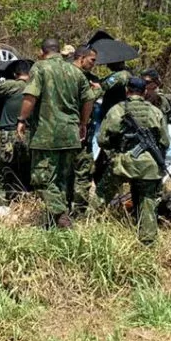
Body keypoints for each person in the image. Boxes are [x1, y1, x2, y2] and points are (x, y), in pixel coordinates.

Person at [16, 38, 95, 228]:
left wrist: (22, 119)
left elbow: (31, 95)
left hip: (47, 134)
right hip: (70, 135)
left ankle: (61, 217)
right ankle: (54, 225)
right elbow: (89, 99)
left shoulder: (40, 67)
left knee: (41, 178)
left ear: (42, 52)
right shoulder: (75, 71)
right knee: (61, 181)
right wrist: (83, 123)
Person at [95, 77, 170, 244]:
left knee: (101, 196)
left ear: (127, 91)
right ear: (144, 92)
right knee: (147, 202)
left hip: (123, 163)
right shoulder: (155, 111)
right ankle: (148, 240)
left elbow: (102, 139)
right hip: (149, 166)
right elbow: (165, 141)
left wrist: (117, 145)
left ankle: (90, 228)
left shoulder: (117, 110)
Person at [0, 60, 32, 206]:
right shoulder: (36, 87)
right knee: (24, 172)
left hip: (8, 136)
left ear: (15, 74)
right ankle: (25, 203)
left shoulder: (13, 85)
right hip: (29, 137)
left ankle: (1, 206)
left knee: (0, 173)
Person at [69, 46, 98, 215]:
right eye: (92, 60)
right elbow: (87, 100)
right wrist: (98, 90)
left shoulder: (62, 73)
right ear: (81, 58)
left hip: (63, 131)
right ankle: (79, 211)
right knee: (83, 171)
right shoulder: (79, 77)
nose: (94, 64)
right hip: (78, 132)